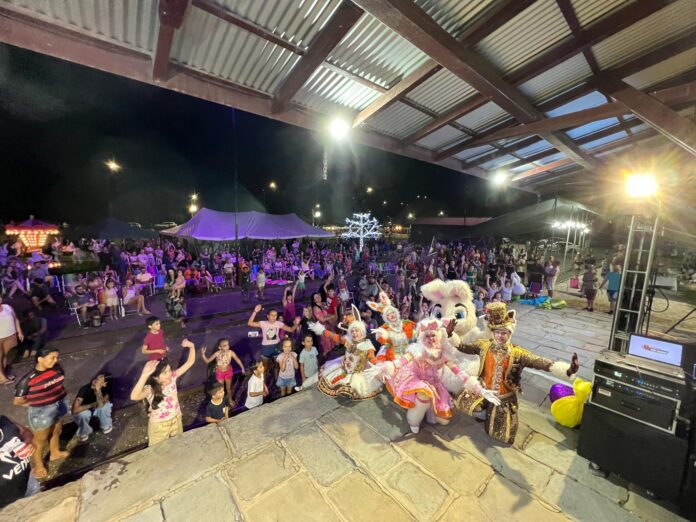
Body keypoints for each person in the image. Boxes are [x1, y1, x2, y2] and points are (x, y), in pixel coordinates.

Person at [451, 302, 579, 444]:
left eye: (504, 333)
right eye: (497, 332)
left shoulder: (518, 354)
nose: (500, 336)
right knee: (463, 401)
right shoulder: (483, 345)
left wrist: (568, 370)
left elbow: (541, 362)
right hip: (483, 391)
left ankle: (492, 414)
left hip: (504, 399)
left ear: (510, 333)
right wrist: (450, 334)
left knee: (502, 435)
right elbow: (463, 347)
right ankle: (484, 411)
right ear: (492, 333)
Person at [13, 347, 69, 479]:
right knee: (39, 440)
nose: (56, 360)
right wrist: (37, 403)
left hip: (59, 404)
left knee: (56, 430)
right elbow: (18, 401)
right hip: (41, 412)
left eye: (57, 357)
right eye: (52, 358)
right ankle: (38, 465)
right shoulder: (28, 380)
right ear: (40, 359)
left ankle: (55, 452)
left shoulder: (57, 369)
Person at [130, 338, 196, 446]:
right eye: (165, 373)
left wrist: (192, 346)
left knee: (178, 445)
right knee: (157, 451)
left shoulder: (173, 377)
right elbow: (134, 396)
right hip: (159, 426)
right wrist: (144, 374)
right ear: (155, 377)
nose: (169, 374)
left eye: (169, 370)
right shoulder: (150, 388)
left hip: (176, 419)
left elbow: (190, 362)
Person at [247, 305, 300, 378]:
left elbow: (290, 329)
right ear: (268, 316)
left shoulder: (278, 323)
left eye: (275, 315)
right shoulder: (263, 323)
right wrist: (255, 312)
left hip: (276, 347)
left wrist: (296, 324)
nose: (274, 317)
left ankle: (277, 380)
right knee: (265, 367)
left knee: (277, 366)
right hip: (266, 348)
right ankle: (263, 382)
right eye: (272, 315)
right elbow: (249, 323)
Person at [0, 414, 39, 508]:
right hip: (7, 502)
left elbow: (26, 432)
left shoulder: (4, 421)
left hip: (29, 482)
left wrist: (28, 442)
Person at [200, 338, 245, 407]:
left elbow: (238, 360)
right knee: (221, 389)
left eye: (228, 345)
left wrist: (242, 368)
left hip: (228, 372)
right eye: (224, 346)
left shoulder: (231, 352)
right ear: (219, 347)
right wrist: (203, 354)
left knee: (228, 388)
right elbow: (207, 361)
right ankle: (222, 402)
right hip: (220, 373)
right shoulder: (217, 354)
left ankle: (230, 400)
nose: (227, 347)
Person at [71, 373, 113, 442]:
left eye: (99, 381)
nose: (95, 381)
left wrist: (98, 390)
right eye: (96, 378)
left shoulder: (106, 389)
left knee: (105, 407)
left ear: (104, 384)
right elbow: (74, 410)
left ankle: (106, 425)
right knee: (81, 414)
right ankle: (84, 431)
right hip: (87, 410)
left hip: (98, 409)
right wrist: (92, 405)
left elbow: (101, 405)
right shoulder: (85, 389)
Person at [0, 295, 23, 384]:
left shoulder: (7, 307)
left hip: (10, 336)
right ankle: (2, 378)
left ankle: (3, 373)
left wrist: (19, 331)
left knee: (5, 356)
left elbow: (16, 319)